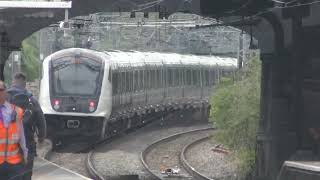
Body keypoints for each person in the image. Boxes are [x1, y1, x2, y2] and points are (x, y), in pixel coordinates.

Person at [7, 73, 46, 180]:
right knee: (27, 173)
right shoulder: (32, 101)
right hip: (28, 144)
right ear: (25, 84)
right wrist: (41, 137)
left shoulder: (5, 99)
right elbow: (41, 121)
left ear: (13, 82)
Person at [0, 80, 27, 180]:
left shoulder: (16, 111)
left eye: (0, 90)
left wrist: (25, 154)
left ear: (5, 92)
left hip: (14, 162)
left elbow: (22, 136)